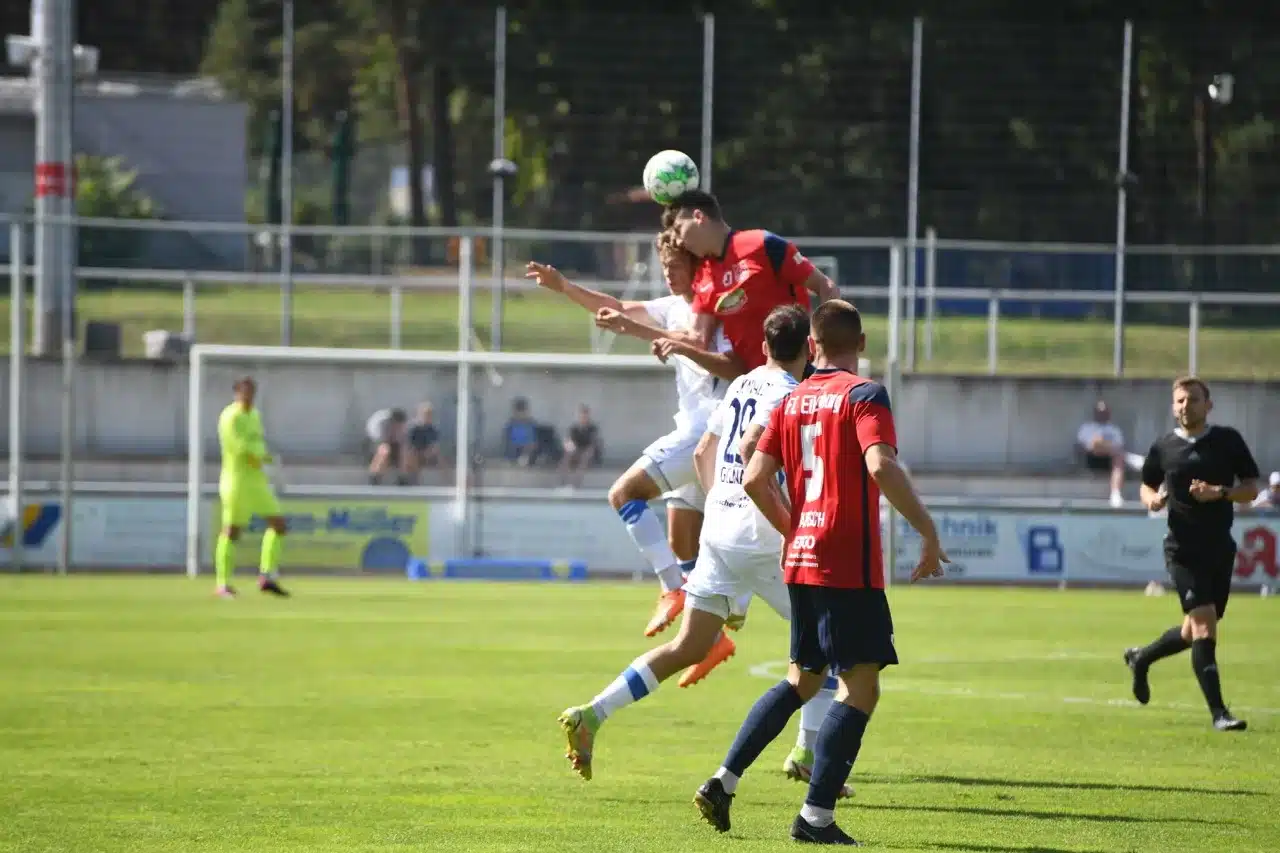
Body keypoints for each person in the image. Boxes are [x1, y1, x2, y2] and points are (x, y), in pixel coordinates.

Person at [555, 306, 849, 794]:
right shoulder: (800, 398)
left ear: (763, 344)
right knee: (835, 651)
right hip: (764, 535)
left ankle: (592, 713)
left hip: (719, 529)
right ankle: (805, 753)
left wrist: (719, 503)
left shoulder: (741, 385)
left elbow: (700, 453)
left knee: (689, 647)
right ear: (810, 348)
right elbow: (786, 473)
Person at [692, 300, 946, 845]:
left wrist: (795, 530)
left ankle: (723, 780)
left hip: (801, 558)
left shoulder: (792, 398)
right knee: (861, 689)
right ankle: (815, 817)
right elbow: (880, 463)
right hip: (845, 563)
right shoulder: (864, 394)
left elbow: (755, 477)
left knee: (802, 680)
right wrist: (927, 528)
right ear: (862, 340)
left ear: (813, 345)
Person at [526, 234, 745, 637]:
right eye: (665, 267)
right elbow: (619, 308)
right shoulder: (670, 308)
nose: (668, 274)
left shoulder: (719, 308)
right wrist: (565, 287)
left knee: (624, 494)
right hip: (696, 432)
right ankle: (709, 638)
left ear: (699, 268)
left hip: (710, 431)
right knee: (686, 551)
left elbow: (693, 342)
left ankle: (675, 591)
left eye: (676, 267)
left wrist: (633, 329)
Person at [1123, 376, 1260, 732]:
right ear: (1174, 406)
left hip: (1219, 549)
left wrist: (1221, 492)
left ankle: (1141, 658)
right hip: (1182, 550)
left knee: (1192, 631)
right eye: (1181, 401)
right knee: (1203, 625)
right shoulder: (1164, 447)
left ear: (1208, 405)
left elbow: (1250, 490)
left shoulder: (1227, 441)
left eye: (1194, 400)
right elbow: (1146, 484)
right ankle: (1219, 713)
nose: (1187, 406)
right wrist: (1151, 500)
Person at [660, 189, 838, 370]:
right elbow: (697, 340)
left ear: (699, 217)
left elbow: (826, 287)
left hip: (797, 380)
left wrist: (826, 355)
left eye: (679, 229)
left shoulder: (763, 244)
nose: (679, 241)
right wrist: (636, 328)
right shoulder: (704, 274)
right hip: (753, 386)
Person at [215, 377, 290, 599]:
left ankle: (267, 576)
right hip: (236, 480)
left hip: (256, 480)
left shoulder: (255, 414)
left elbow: (258, 443)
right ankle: (223, 584)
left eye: (251, 392)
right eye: (244, 392)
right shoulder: (230, 417)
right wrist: (264, 456)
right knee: (232, 530)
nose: (248, 396)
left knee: (278, 524)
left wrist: (265, 459)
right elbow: (241, 448)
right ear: (236, 393)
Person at [1076, 400, 1129, 508]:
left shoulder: (1114, 429)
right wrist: (1097, 445)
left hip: (1108, 460)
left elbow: (1119, 447)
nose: (1102, 414)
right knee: (1097, 443)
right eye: (1099, 411)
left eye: (1104, 412)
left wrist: (1105, 446)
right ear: (1095, 413)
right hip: (1091, 458)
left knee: (1118, 458)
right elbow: (1080, 446)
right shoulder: (1087, 427)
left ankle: (1115, 494)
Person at [367, 407, 410, 485]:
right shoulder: (379, 421)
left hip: (393, 446)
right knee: (385, 451)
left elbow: (402, 440)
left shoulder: (402, 425)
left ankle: (402, 478)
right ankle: (375, 476)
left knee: (404, 451)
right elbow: (378, 440)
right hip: (376, 444)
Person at [561, 404, 601, 487]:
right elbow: (568, 440)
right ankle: (563, 483)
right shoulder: (574, 428)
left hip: (589, 454)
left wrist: (587, 451)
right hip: (577, 452)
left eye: (585, 416)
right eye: (582, 416)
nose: (583, 418)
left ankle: (576, 484)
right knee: (567, 457)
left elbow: (594, 444)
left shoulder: (592, 428)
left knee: (585, 456)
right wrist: (570, 446)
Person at [406, 402, 442, 475]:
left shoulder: (432, 430)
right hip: (414, 453)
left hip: (427, 454)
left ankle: (448, 482)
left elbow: (434, 445)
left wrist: (430, 451)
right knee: (412, 455)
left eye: (430, 414)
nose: (428, 417)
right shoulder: (412, 428)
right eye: (426, 414)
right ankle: (414, 479)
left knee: (442, 457)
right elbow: (409, 445)